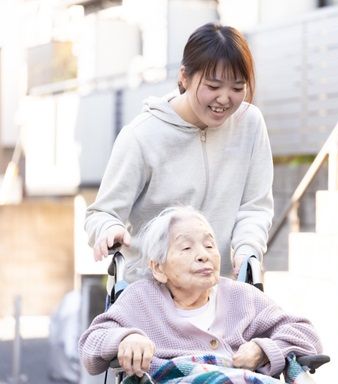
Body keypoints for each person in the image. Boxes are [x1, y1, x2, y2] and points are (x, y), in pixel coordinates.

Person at [84, 22, 274, 278]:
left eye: (237, 88)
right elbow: (101, 213)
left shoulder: (249, 123)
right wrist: (109, 228)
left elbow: (255, 206)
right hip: (152, 290)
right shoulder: (141, 135)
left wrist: (247, 249)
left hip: (218, 291)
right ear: (184, 77)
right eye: (213, 86)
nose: (225, 99)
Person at [79, 206, 321, 382]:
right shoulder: (141, 299)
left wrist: (262, 349)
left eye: (209, 245)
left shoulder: (242, 297)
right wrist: (125, 339)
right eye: (186, 247)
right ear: (158, 268)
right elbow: (91, 345)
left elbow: (305, 334)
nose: (203, 254)